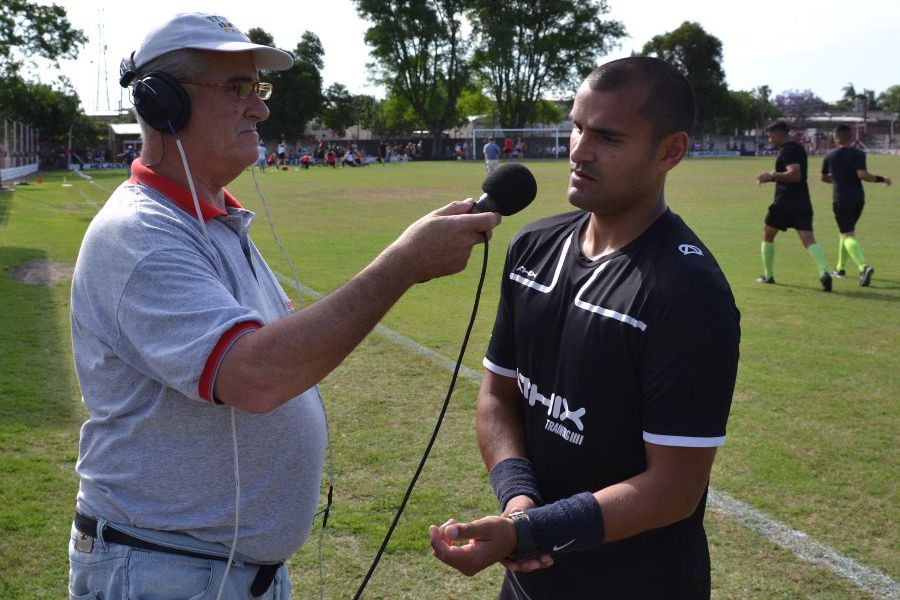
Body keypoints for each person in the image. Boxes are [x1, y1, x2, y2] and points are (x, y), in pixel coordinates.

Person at [68, 13, 500, 600]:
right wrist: (403, 265)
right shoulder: (140, 236)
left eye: (258, 88)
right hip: (166, 572)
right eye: (236, 89)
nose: (260, 109)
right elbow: (257, 375)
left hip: (220, 572)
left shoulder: (210, 220)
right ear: (162, 103)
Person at [429, 56, 740, 599]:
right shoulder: (531, 247)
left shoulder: (688, 292)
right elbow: (499, 395)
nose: (579, 150)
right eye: (576, 127)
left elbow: (673, 488)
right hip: (528, 581)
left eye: (608, 137)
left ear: (670, 151)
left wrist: (530, 531)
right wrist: (519, 500)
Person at [755, 120, 832, 291]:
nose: (769, 140)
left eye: (770, 136)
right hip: (803, 202)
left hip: (785, 202)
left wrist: (771, 176)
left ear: (778, 133)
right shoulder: (798, 148)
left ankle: (768, 275)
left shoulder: (787, 150)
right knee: (809, 241)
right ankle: (823, 272)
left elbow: (794, 174)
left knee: (768, 235)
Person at [821, 124, 891, 287]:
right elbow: (863, 175)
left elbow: (823, 177)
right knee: (845, 232)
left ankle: (863, 267)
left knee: (847, 234)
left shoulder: (830, 155)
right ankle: (840, 268)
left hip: (841, 199)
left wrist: (837, 180)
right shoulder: (859, 154)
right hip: (858, 199)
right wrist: (882, 179)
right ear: (850, 137)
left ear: (836, 138)